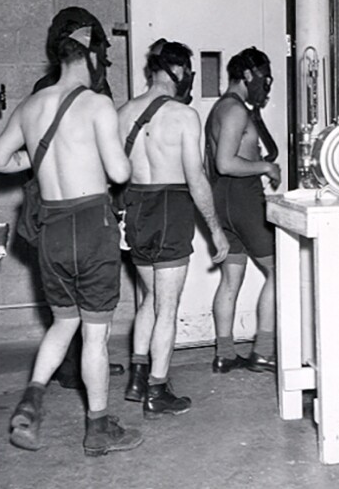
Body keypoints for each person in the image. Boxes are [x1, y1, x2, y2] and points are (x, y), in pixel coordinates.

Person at [0, 11, 141, 456]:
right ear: (92, 53)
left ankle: (32, 401)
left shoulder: (31, 106)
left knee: (62, 323)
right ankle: (97, 429)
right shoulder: (96, 104)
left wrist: (35, 162)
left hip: (50, 228)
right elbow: (118, 171)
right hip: (91, 224)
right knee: (94, 335)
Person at [117, 39, 230, 418]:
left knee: (149, 297)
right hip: (170, 207)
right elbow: (196, 179)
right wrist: (214, 228)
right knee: (168, 306)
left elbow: (113, 172)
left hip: (135, 205)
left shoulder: (123, 113)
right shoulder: (183, 116)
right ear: (179, 71)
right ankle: (156, 390)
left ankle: (137, 374)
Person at [29, 8, 124, 391]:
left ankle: (46, 385)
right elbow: (114, 166)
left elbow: (20, 155)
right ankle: (92, 398)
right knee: (94, 321)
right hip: (89, 214)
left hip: (52, 216)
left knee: (64, 316)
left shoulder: (40, 92)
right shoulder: (95, 95)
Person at [204, 47, 279, 374]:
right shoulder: (234, 110)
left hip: (223, 200)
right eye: (263, 77)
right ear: (248, 75)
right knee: (281, 271)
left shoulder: (221, 109)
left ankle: (224, 354)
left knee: (230, 280)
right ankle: (262, 352)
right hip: (243, 199)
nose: (265, 85)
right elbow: (225, 162)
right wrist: (266, 166)